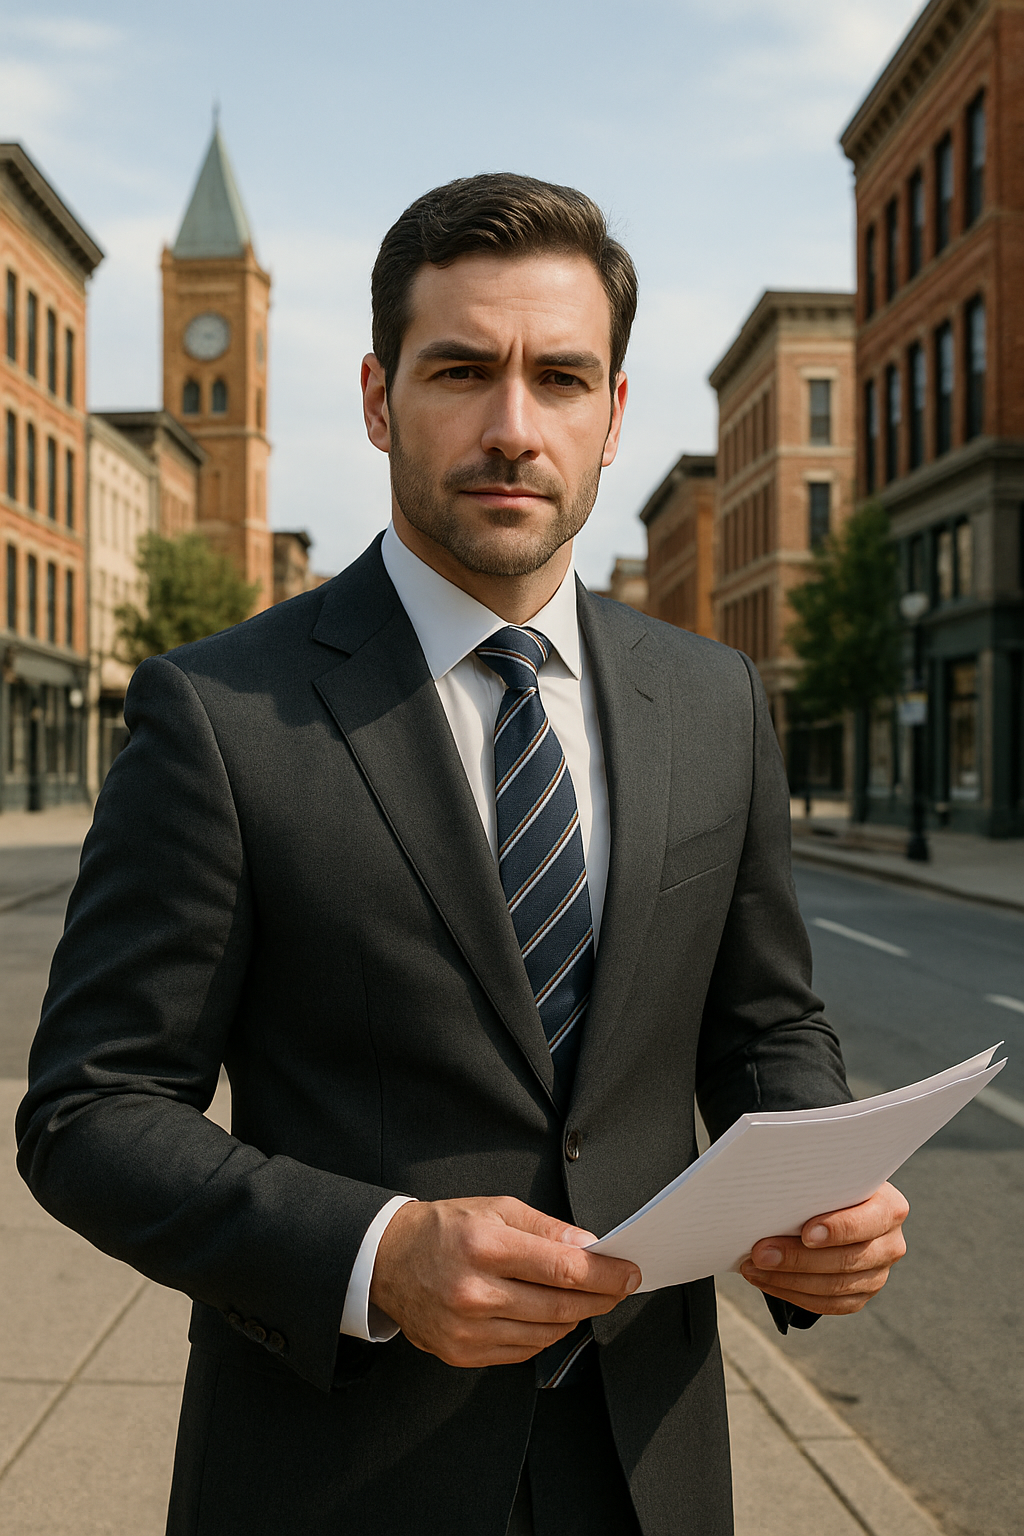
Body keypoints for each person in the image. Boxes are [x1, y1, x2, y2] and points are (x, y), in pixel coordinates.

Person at [17, 173, 908, 1536]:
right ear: (380, 400)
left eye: (559, 377)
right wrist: (378, 1254)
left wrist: (814, 1197)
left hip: (648, 1471)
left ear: (612, 415)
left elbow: (763, 1020)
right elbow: (90, 1112)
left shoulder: (717, 700)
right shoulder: (219, 713)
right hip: (334, 1476)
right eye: (460, 371)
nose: (511, 427)